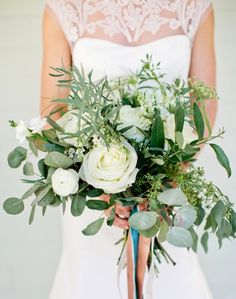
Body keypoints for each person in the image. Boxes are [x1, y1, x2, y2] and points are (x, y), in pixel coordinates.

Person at [40, 1, 217, 298]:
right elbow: (52, 114)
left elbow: (204, 107)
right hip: (92, 194)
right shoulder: (63, 7)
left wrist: (165, 185)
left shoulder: (195, 7)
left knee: (173, 281)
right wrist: (101, 192)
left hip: (167, 195)